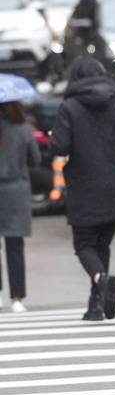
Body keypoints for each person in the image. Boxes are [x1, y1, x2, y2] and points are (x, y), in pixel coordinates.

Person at [50, 56, 115, 321]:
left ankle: (101, 281)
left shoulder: (69, 107)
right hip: (112, 183)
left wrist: (54, 137)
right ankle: (96, 304)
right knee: (102, 245)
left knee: (84, 244)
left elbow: (60, 147)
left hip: (83, 186)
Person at [0, 101, 40, 312]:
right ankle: (17, 298)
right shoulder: (24, 129)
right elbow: (35, 159)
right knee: (15, 247)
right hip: (17, 191)